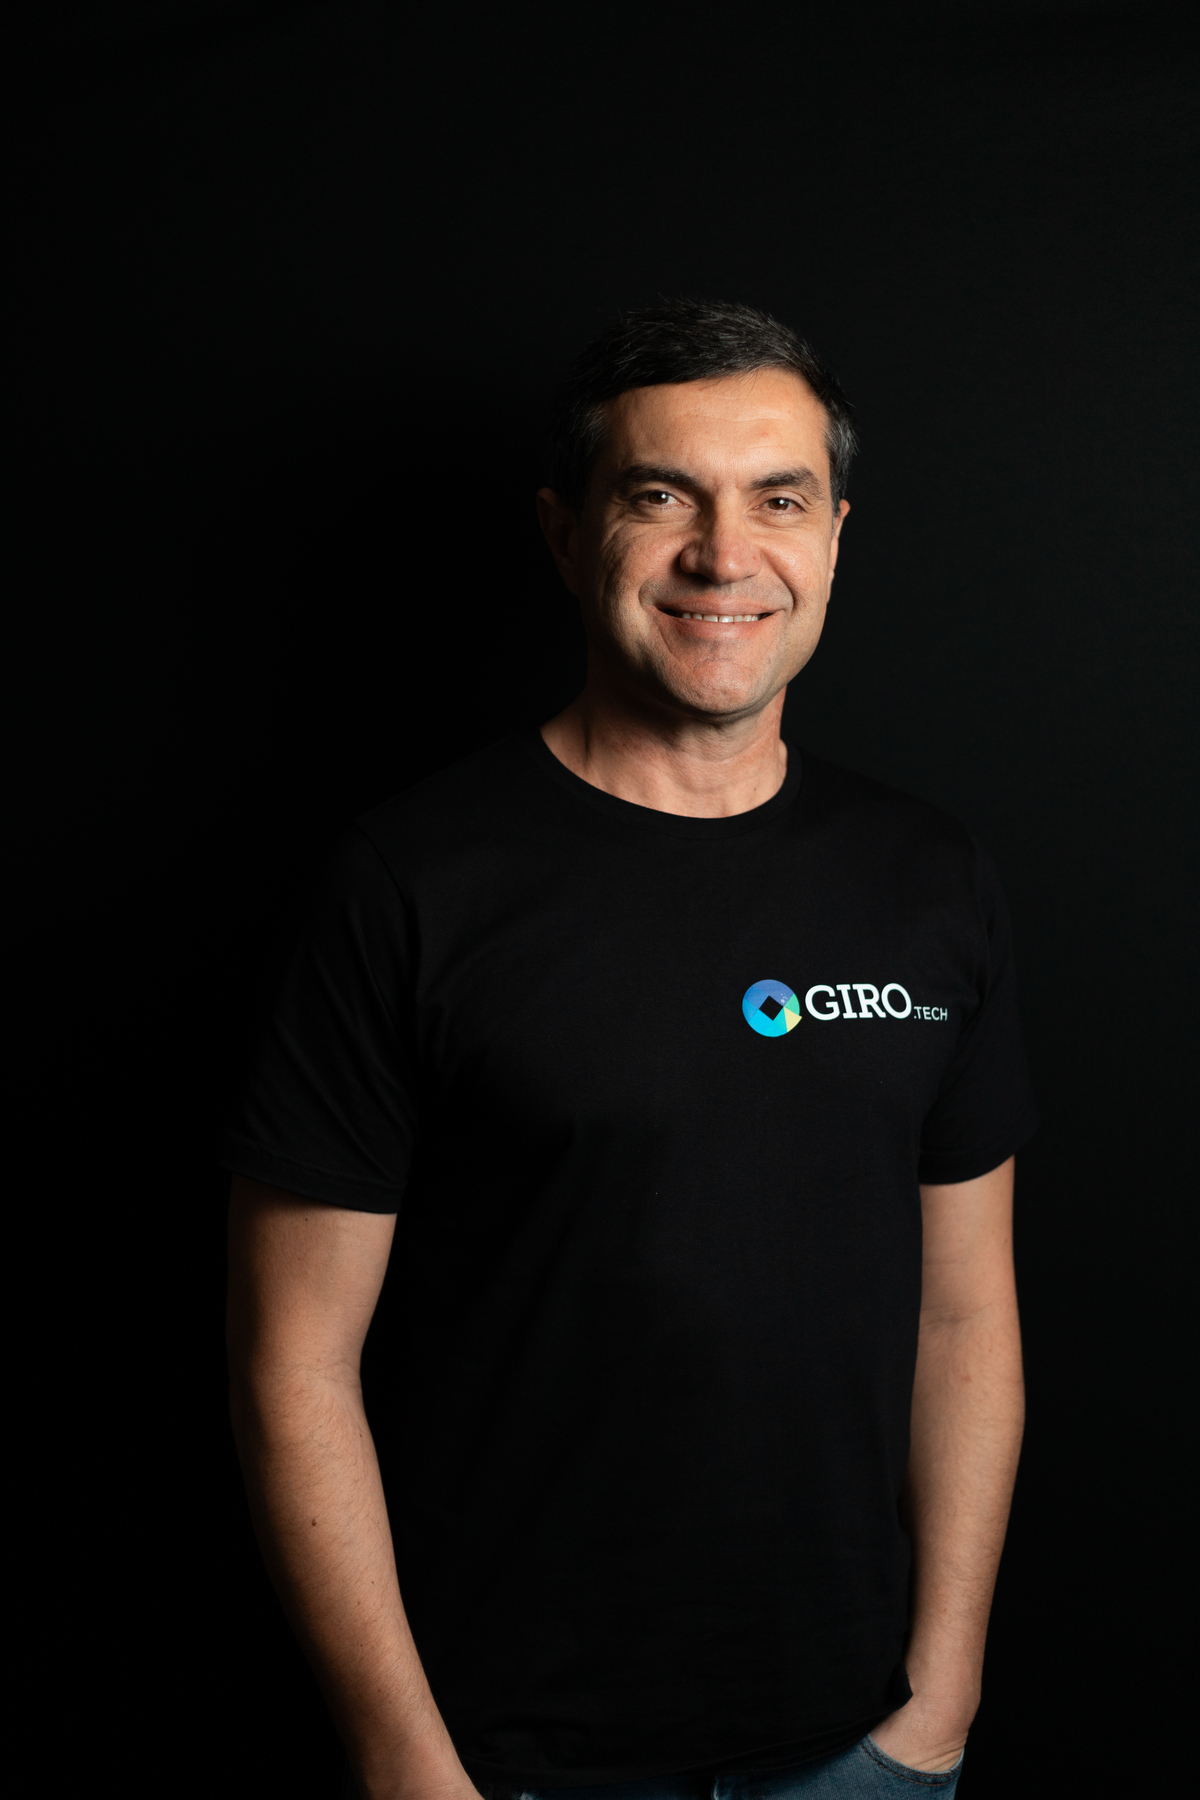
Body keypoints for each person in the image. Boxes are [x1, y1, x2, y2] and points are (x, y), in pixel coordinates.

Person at [224, 300, 1036, 1800]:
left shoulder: (930, 877)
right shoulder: (412, 882)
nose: (725, 556)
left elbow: (965, 1315)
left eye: (778, 499)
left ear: (836, 537)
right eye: (663, 496)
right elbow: (296, 1361)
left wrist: (941, 1702)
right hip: (506, 1756)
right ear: (565, 531)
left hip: (858, 1743)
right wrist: (407, 1762)